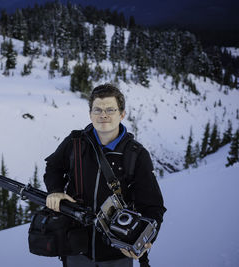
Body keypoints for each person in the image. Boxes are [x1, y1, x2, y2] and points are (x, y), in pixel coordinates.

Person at [44, 83, 166, 267]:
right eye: (98, 109)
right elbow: (53, 166)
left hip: (117, 252)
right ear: (90, 114)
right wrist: (55, 190)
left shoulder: (136, 154)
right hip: (75, 247)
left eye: (110, 109)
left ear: (122, 114)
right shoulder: (75, 142)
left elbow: (153, 206)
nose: (103, 115)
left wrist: (144, 240)